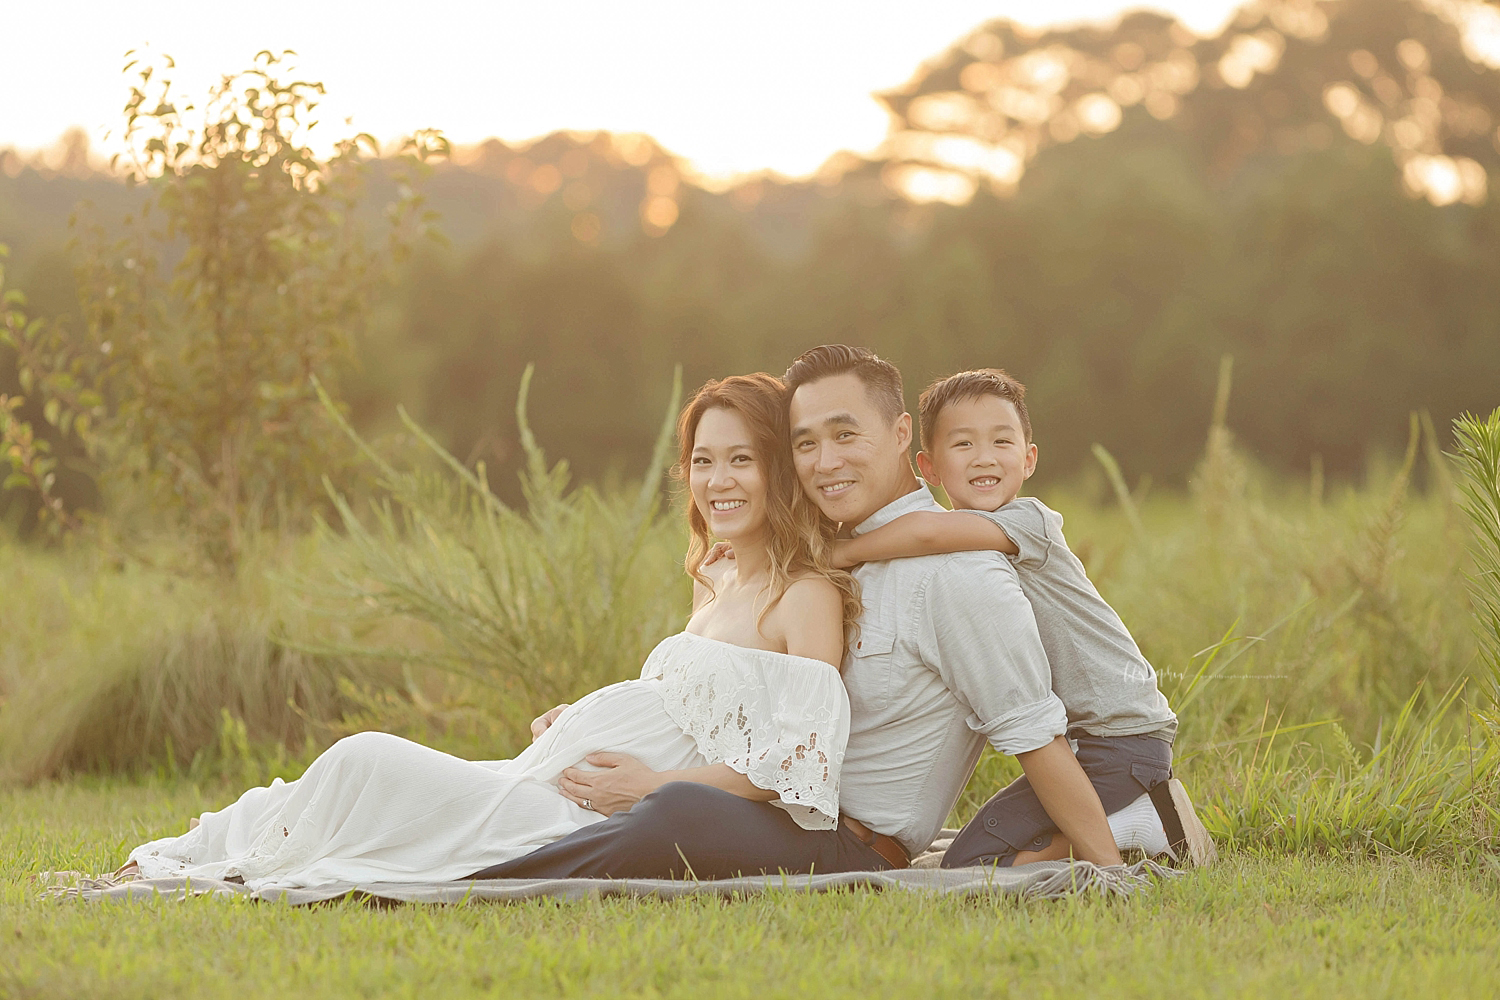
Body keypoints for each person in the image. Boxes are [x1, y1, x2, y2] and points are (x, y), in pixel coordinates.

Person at [118, 374, 861, 890]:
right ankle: (184, 857)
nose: (717, 481)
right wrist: (582, 716)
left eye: (741, 460)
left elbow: (799, 762)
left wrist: (653, 786)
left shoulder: (802, 599)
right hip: (539, 773)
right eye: (703, 461)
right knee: (358, 773)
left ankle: (203, 863)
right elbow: (694, 707)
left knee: (365, 760)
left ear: (779, 470)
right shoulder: (719, 578)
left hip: (577, 814)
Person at [473, 345, 1127, 880]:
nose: (824, 462)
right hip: (761, 808)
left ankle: (483, 879)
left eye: (846, 435)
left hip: (848, 842)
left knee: (669, 811)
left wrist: (1109, 867)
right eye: (805, 444)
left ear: (902, 434)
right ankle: (465, 835)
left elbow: (1032, 733)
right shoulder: (825, 553)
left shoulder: (956, 577)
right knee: (597, 790)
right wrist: (596, 724)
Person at [831, 368, 1215, 867]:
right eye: (963, 444)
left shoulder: (1030, 522)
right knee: (965, 855)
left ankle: (1140, 827)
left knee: (973, 870)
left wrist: (841, 551)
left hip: (1120, 741)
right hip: (1089, 746)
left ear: (1029, 458)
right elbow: (926, 535)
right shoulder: (967, 536)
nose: (984, 457)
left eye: (1002, 441)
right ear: (929, 466)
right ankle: (1129, 823)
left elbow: (926, 535)